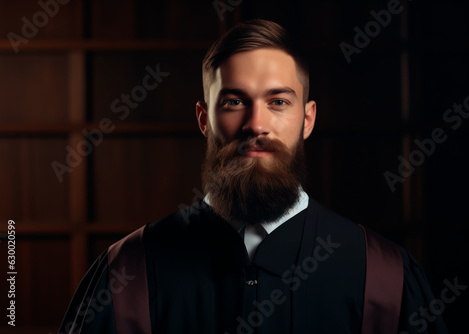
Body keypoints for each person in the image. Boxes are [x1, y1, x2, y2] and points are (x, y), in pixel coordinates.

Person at [58, 19, 448, 334]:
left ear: (307, 119)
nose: (256, 124)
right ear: (203, 120)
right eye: (233, 102)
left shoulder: (384, 277)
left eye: (278, 102)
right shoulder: (128, 272)